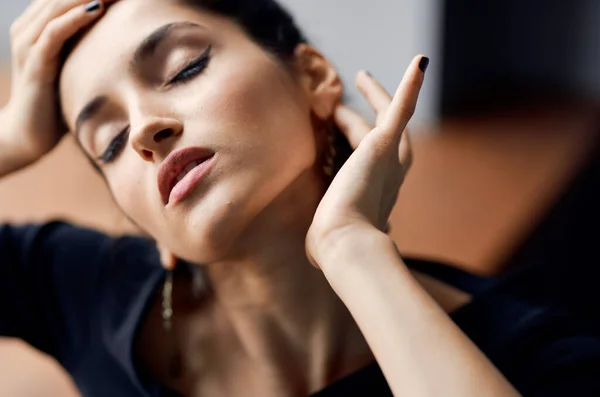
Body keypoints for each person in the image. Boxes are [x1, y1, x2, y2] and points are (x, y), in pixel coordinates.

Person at [1, 0, 600, 396]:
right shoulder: (84, 290)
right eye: (107, 144)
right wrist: (12, 138)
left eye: (184, 68)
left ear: (312, 76)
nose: (140, 132)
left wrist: (351, 247)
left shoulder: (522, 356)